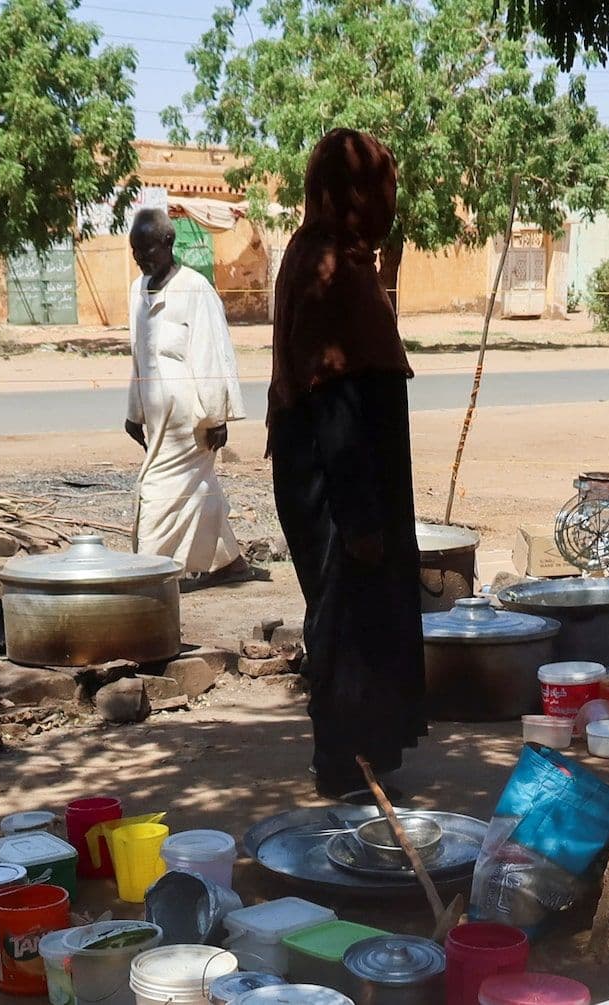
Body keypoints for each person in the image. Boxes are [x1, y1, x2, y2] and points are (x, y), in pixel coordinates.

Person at [267, 129, 428, 799]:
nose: (390, 200)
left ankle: (361, 757)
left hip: (333, 478)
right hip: (341, 485)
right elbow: (336, 399)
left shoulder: (325, 258)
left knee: (346, 613)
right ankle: (348, 766)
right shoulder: (331, 275)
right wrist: (362, 517)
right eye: (381, 187)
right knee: (347, 617)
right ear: (354, 194)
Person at [125, 209, 251, 586]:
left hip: (191, 422)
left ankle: (151, 572)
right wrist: (134, 411)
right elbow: (137, 355)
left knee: (157, 490)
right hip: (157, 418)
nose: (141, 259)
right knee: (199, 488)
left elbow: (213, 352)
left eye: (147, 250)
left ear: (167, 243)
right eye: (135, 252)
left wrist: (216, 416)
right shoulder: (137, 291)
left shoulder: (196, 289)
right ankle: (228, 562)